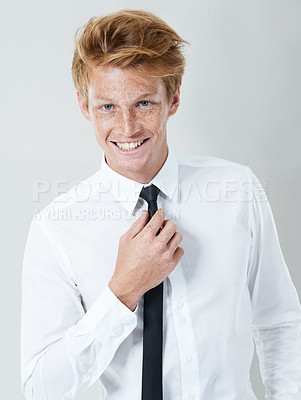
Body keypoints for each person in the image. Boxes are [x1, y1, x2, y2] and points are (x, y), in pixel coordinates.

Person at [21, 9, 301, 400]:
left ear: (173, 98)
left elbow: (279, 322)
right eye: (107, 107)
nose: (127, 126)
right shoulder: (56, 228)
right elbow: (39, 388)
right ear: (85, 107)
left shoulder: (237, 189)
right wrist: (122, 292)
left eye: (144, 103)